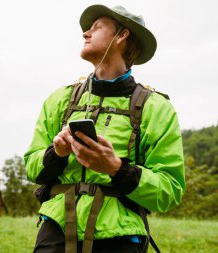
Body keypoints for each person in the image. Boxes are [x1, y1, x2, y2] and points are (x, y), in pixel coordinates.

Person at [24, 4, 185, 253]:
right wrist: (56, 153)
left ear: (122, 35)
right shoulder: (59, 99)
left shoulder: (157, 108)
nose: (85, 33)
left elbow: (169, 190)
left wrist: (116, 168)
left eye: (96, 27)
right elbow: (32, 167)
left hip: (122, 235)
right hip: (55, 228)